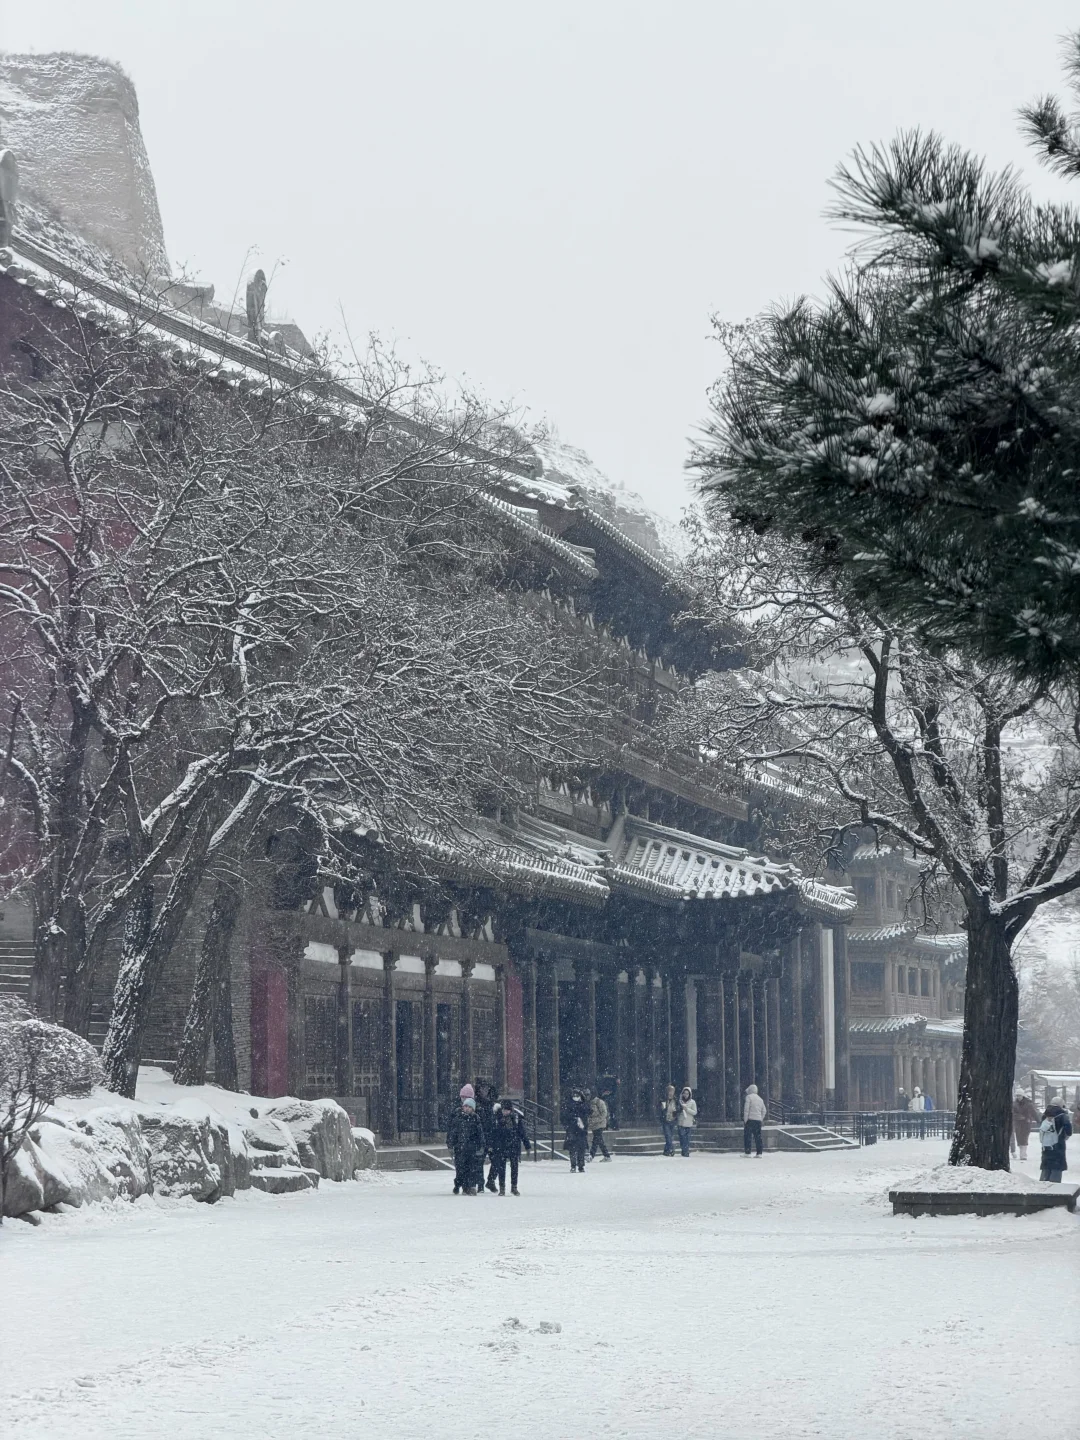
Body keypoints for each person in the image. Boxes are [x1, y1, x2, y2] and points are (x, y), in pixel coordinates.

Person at [490, 1098, 531, 1194]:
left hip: (513, 1146)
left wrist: (527, 1145)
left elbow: (522, 1133)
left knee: (514, 1168)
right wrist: (491, 1145)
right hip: (501, 1146)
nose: (505, 1112)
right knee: (501, 1168)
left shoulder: (516, 1119)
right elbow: (493, 1134)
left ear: (510, 1110)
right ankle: (502, 1188)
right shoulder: (497, 1119)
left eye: (507, 1110)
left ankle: (514, 1187)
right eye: (503, 1110)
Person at [448, 1093, 487, 1195]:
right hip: (460, 1148)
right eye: (466, 1106)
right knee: (460, 1168)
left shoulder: (475, 1119)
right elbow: (453, 1133)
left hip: (471, 1147)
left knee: (472, 1168)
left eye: (470, 1107)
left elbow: (480, 1133)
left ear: (473, 1109)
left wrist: (482, 1145)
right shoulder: (458, 1119)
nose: (467, 1109)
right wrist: (451, 1145)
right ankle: (459, 1185)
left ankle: (471, 1186)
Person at [1038, 1101, 1072, 1184]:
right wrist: (1066, 1135)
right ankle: (1055, 1186)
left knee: (1046, 1166)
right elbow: (1069, 1130)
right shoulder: (1062, 1115)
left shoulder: (1045, 1115)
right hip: (1058, 1144)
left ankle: (1042, 1184)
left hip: (1046, 1145)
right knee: (1057, 1166)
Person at [564, 1088, 591, 1172]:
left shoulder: (583, 1105)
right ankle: (573, 1165)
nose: (575, 1097)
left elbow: (589, 1112)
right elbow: (564, 1117)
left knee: (581, 1149)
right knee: (572, 1149)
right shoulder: (568, 1105)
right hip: (572, 1129)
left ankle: (581, 1166)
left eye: (577, 1096)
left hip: (581, 1130)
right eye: (574, 1096)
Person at [1012, 1092, 1040, 1161]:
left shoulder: (1028, 1104)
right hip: (1018, 1122)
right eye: (1017, 1095)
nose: (1018, 1097)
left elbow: (1033, 1113)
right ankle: (1022, 1152)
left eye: (1019, 1095)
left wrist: (1038, 1121)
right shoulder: (1014, 1104)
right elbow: (1012, 1113)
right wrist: (1018, 1117)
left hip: (1026, 1123)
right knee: (1019, 1137)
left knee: (1024, 1137)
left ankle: (1023, 1154)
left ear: (1023, 1096)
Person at [743, 1083, 766, 1156]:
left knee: (748, 1136)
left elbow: (746, 1109)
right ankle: (759, 1153)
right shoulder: (760, 1099)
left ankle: (748, 1152)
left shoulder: (748, 1097)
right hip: (758, 1121)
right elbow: (764, 1110)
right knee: (758, 1137)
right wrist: (760, 1118)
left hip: (750, 1120)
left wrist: (745, 1119)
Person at [588, 1091, 612, 1160]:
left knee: (596, 1140)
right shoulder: (590, 1103)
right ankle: (606, 1155)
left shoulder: (599, 1102)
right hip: (594, 1125)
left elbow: (604, 1114)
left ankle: (591, 1155)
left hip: (599, 1124)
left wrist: (595, 1120)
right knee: (599, 1140)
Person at [676, 1086, 698, 1157]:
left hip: (688, 1123)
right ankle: (684, 1150)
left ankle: (686, 1151)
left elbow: (695, 1112)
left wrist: (687, 1109)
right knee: (682, 1138)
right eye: (684, 1093)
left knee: (687, 1139)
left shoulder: (692, 1102)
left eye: (687, 1094)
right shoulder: (679, 1101)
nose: (685, 1095)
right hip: (681, 1122)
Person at [659, 1084, 678, 1156]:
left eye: (672, 1091)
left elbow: (678, 1108)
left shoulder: (675, 1100)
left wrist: (676, 1112)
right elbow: (661, 1110)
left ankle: (666, 1151)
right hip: (665, 1120)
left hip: (672, 1120)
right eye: (670, 1091)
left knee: (670, 1136)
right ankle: (671, 1149)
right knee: (668, 1136)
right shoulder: (664, 1099)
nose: (671, 1093)